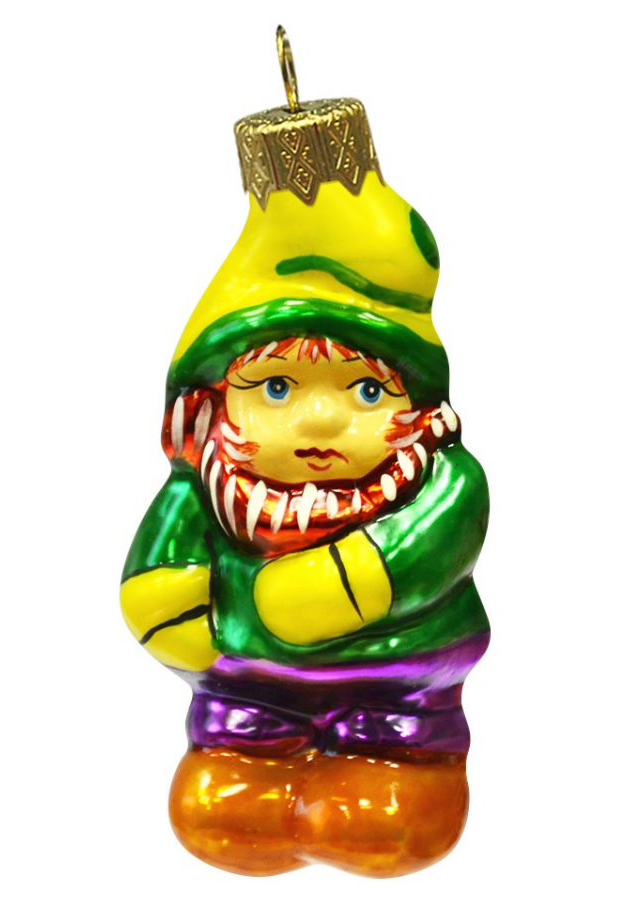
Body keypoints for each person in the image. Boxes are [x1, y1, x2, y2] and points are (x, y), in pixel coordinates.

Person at [121, 174, 489, 877]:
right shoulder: (208, 486)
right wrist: (166, 607)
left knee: (385, 815)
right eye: (277, 388)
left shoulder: (442, 480)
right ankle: (243, 765)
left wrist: (346, 585)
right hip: (246, 687)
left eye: (368, 390)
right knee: (226, 808)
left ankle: (401, 769)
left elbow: (434, 544)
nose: (320, 420)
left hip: (396, 683)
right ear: (213, 403)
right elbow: (160, 565)